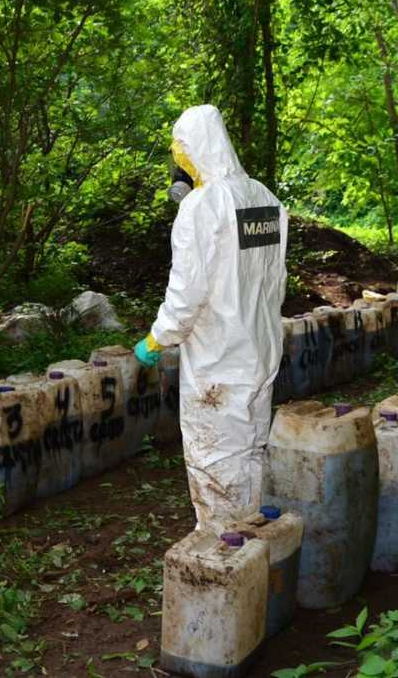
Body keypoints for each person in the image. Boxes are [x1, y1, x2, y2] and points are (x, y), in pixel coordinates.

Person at [134, 104, 288, 530]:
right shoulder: (264, 198)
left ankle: (223, 546)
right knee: (253, 448)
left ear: (193, 149)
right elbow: (276, 280)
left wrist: (157, 338)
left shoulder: (202, 207)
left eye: (179, 155)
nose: (177, 167)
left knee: (215, 457)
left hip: (219, 360)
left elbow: (187, 294)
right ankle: (253, 536)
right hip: (260, 350)